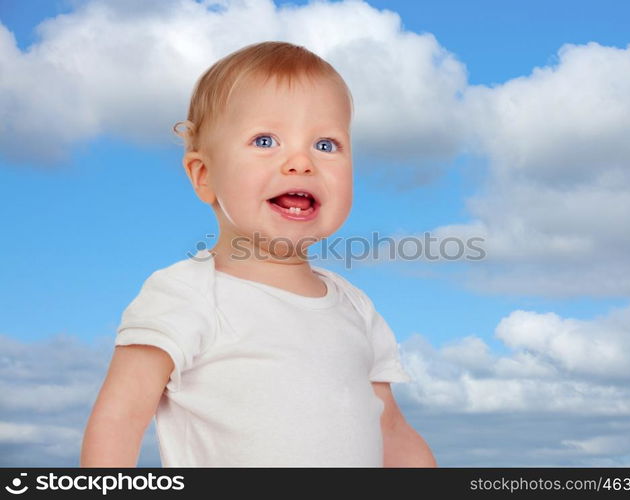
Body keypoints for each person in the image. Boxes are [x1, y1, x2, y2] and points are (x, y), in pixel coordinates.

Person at [80, 41, 436, 467]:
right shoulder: (186, 294)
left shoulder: (356, 308)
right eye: (265, 140)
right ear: (204, 175)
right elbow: (119, 418)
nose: (301, 162)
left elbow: (391, 428)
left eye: (326, 145)